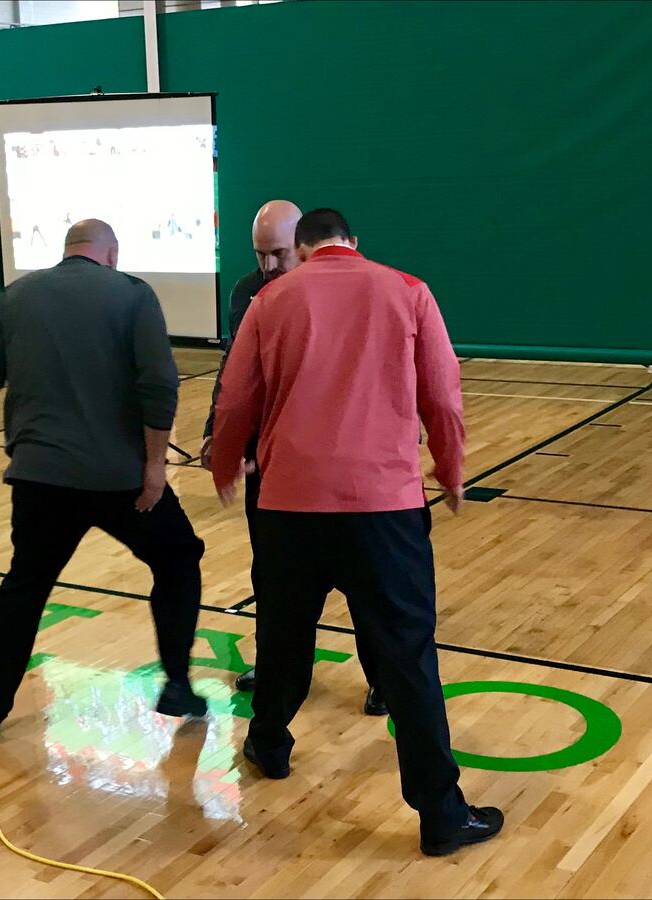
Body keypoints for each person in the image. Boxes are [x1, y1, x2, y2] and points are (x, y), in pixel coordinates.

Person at [210, 209, 502, 857]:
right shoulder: (408, 291)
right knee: (406, 658)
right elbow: (444, 397)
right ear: (354, 244)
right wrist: (450, 472)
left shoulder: (269, 299)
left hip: (288, 508)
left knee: (283, 638)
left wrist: (225, 465)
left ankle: (270, 744)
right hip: (384, 510)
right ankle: (440, 813)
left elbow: (234, 400)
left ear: (304, 249)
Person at [0, 218, 208, 749]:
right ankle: (178, 685)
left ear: (67, 251)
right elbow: (159, 384)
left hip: (39, 480)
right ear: (110, 254)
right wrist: (157, 465)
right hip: (121, 482)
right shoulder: (133, 295)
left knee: (25, 587)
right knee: (178, 557)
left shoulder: (16, 296)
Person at [201, 199, 384, 716]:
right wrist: (219, 433)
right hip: (273, 466)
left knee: (364, 580)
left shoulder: (360, 290)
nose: (268, 266)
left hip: (348, 468)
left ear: (302, 246)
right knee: (272, 576)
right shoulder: (247, 293)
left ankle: (383, 677)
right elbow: (235, 371)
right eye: (259, 255)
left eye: (278, 253)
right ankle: (276, 666)